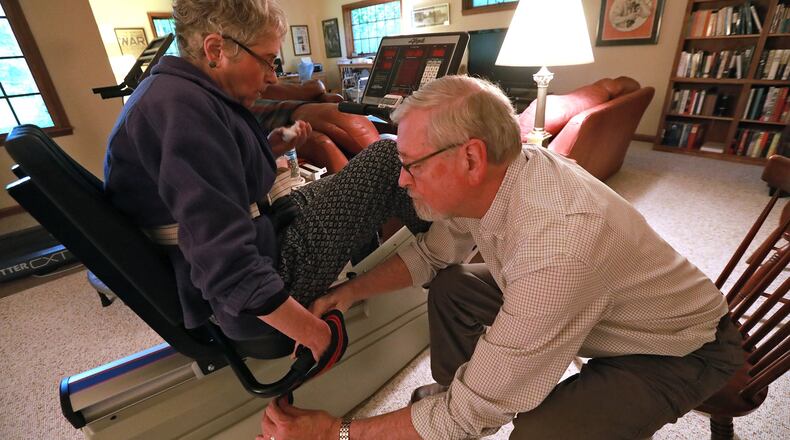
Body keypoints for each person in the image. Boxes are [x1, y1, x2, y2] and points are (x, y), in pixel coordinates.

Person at [260, 75, 744, 439]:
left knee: (539, 431)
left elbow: (549, 270)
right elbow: (432, 256)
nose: (402, 182)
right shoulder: (498, 176)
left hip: (676, 348)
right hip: (594, 305)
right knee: (453, 286)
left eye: (411, 166)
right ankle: (461, 408)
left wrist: (335, 433)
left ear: (469, 158)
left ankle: (467, 410)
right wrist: (348, 292)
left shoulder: (557, 250)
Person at [103, 0, 428, 362]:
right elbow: (223, 258)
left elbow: (215, 180)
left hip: (262, 238)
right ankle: (437, 269)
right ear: (216, 50)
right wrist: (318, 337)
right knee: (386, 158)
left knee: (358, 172)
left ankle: (404, 270)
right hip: (252, 291)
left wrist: (270, 146)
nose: (273, 76)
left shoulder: (179, 95)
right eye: (267, 60)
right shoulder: (181, 110)